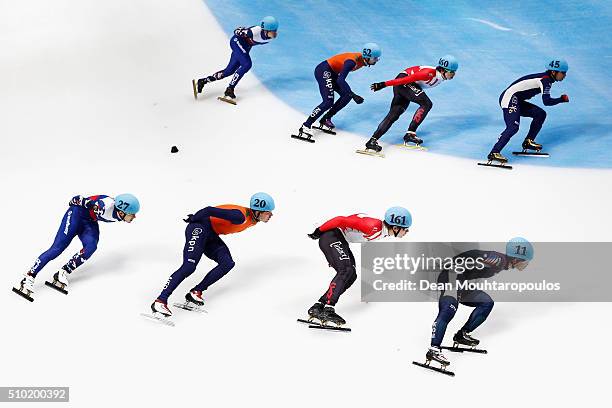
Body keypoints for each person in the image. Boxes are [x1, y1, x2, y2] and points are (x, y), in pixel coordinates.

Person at [150, 192, 275, 318]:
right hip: (199, 228)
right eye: (268, 212)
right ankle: (160, 301)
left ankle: (196, 291)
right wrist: (193, 219)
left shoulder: (253, 219)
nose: (271, 215)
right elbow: (209, 210)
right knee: (189, 267)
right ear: (258, 211)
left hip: (211, 234)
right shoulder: (239, 216)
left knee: (227, 263)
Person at [425, 238, 534, 366]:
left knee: (486, 302)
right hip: (452, 277)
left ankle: (462, 334)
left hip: (460, 281)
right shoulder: (497, 260)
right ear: (516, 259)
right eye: (524, 261)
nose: (525, 265)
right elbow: (472, 256)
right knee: (449, 309)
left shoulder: (500, 263)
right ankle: (434, 349)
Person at [13, 193, 140, 301]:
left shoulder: (118, 214)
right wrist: (88, 204)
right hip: (75, 215)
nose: (134, 217)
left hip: (89, 221)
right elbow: (75, 199)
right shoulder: (104, 205)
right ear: (122, 211)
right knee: (57, 249)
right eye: (132, 214)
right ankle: (29, 277)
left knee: (91, 247)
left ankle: (63, 272)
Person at [304, 207, 411, 326]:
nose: (407, 232)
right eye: (406, 229)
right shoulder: (373, 226)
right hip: (331, 235)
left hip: (340, 239)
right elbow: (340, 220)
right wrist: (318, 231)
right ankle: (328, 309)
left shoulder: (383, 232)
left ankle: (319, 306)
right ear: (395, 227)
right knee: (346, 270)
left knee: (352, 275)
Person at [365, 55, 458, 153]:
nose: (453, 75)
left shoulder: (440, 76)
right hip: (403, 81)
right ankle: (410, 133)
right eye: (451, 72)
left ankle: (372, 141)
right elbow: (403, 80)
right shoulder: (428, 73)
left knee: (394, 114)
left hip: (407, 85)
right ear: (443, 70)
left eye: (454, 72)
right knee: (426, 104)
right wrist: (382, 84)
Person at [487, 59, 569, 163]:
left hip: (516, 99)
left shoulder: (547, 79)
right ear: (554, 72)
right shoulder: (545, 80)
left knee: (540, 114)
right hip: (509, 97)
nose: (564, 75)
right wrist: (561, 99)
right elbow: (547, 101)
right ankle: (494, 152)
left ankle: (528, 141)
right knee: (513, 127)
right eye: (563, 73)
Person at [295, 43, 381, 140]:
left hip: (332, 73)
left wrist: (351, 95)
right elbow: (341, 80)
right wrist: (354, 95)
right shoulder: (351, 62)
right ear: (368, 57)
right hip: (324, 70)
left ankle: (326, 118)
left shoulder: (362, 60)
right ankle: (306, 125)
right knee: (328, 102)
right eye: (375, 58)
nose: (377, 61)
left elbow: (340, 79)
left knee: (346, 96)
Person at [193, 16, 279, 102]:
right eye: (273, 31)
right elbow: (236, 31)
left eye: (276, 30)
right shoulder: (254, 31)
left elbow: (250, 43)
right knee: (247, 64)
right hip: (236, 42)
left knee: (228, 71)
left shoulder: (269, 38)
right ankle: (229, 89)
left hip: (244, 48)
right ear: (266, 30)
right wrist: (241, 30)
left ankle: (203, 81)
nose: (275, 33)